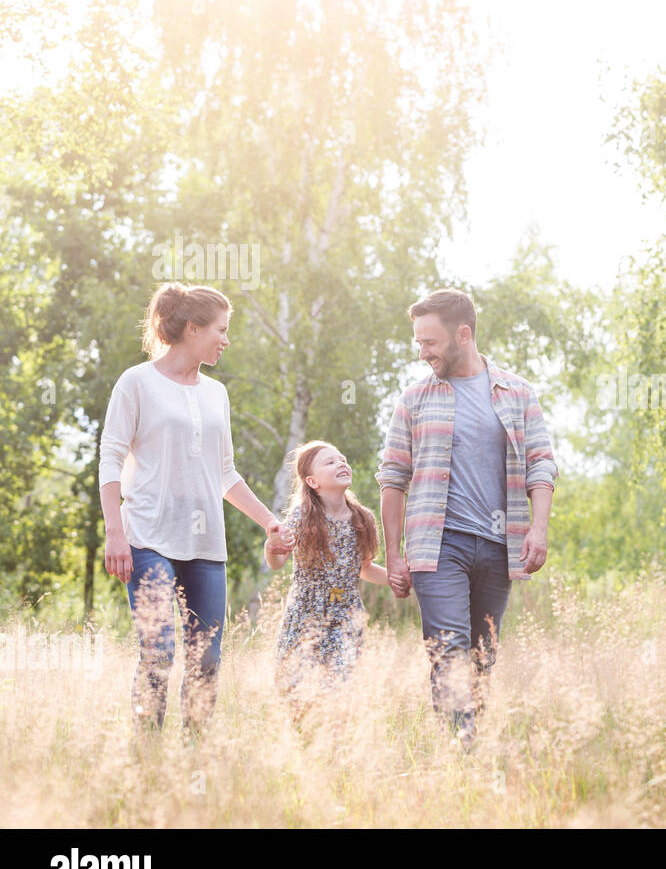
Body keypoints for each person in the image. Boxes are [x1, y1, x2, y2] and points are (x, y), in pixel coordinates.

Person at [99, 281, 290, 735]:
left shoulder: (215, 393)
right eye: (220, 330)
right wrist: (114, 533)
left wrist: (270, 522)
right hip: (145, 537)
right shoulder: (137, 382)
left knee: (207, 657)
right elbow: (110, 458)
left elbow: (224, 473)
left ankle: (194, 757)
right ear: (191, 328)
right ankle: (146, 755)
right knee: (159, 649)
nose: (226, 340)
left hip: (205, 545)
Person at [377, 289, 557, 746]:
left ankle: (467, 744)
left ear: (463, 334)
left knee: (482, 655)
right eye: (418, 343)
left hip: (500, 545)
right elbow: (393, 477)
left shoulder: (517, 393)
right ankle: (457, 751)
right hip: (438, 546)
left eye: (430, 342)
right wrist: (393, 556)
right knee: (449, 649)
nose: (423, 353)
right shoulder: (415, 399)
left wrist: (538, 528)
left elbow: (541, 463)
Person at [266, 440, 388, 723]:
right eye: (330, 462)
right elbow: (278, 562)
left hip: (346, 615)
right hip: (304, 614)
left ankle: (335, 742)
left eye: (342, 459)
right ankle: (305, 743)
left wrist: (400, 577)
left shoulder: (363, 518)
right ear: (312, 481)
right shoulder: (302, 517)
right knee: (295, 687)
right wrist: (272, 547)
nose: (341, 463)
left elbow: (365, 568)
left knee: (338, 686)